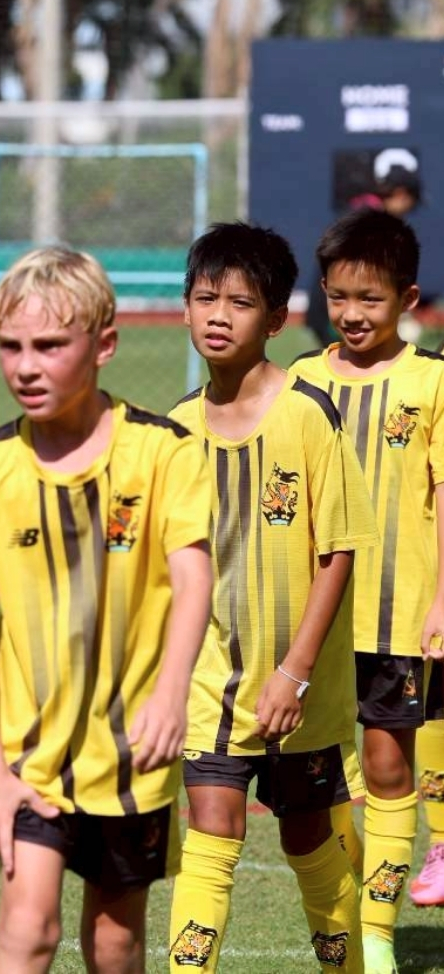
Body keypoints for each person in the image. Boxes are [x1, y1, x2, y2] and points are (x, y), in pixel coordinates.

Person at [0, 246, 214, 973]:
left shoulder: (163, 452)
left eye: (50, 346)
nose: (26, 366)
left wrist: (171, 693)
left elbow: (193, 578)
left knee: (116, 940)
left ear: (105, 345)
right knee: (26, 929)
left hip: (131, 752)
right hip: (30, 756)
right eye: (11, 346)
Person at [167, 222, 378, 973]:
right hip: (211, 687)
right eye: (204, 298)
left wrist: (294, 671)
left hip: (301, 691)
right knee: (211, 833)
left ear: (276, 319)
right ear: (185, 309)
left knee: (307, 843)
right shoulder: (177, 431)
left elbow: (339, 551)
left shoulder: (307, 414)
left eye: (240, 302)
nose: (218, 315)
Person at [290, 207, 444, 974]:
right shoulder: (301, 381)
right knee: (319, 788)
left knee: (388, 772)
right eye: (338, 296)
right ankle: (352, 913)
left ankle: (375, 934)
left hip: (398, 617)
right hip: (313, 622)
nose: (351, 314)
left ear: (407, 299)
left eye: (370, 298)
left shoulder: (432, 383)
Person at [303, 160, 421, 347]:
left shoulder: (362, 211)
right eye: (412, 203)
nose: (408, 211)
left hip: (325, 311)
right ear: (401, 194)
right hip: (329, 317)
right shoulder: (369, 221)